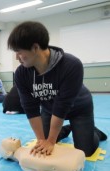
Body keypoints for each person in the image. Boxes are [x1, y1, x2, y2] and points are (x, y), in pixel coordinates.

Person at [7, 21, 107, 157]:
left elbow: (62, 106)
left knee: (85, 151)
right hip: (50, 109)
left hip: (79, 108)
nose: (16, 57)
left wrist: (51, 141)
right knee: (46, 141)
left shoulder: (71, 65)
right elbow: (30, 108)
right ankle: (69, 128)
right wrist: (42, 140)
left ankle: (92, 132)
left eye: (19, 52)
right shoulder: (21, 73)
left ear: (35, 48)